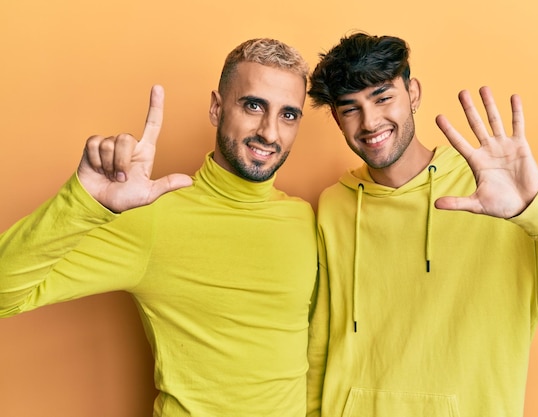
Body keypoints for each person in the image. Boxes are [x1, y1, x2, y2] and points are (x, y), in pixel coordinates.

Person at [306, 32, 538, 417]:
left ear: (414, 93)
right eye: (350, 108)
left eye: (383, 97)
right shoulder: (334, 206)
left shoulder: (499, 198)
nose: (370, 121)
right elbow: (320, 345)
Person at [0, 38, 317, 417]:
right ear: (217, 108)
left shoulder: (304, 219)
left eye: (288, 115)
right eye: (253, 106)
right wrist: (85, 200)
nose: (269, 132)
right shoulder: (153, 218)